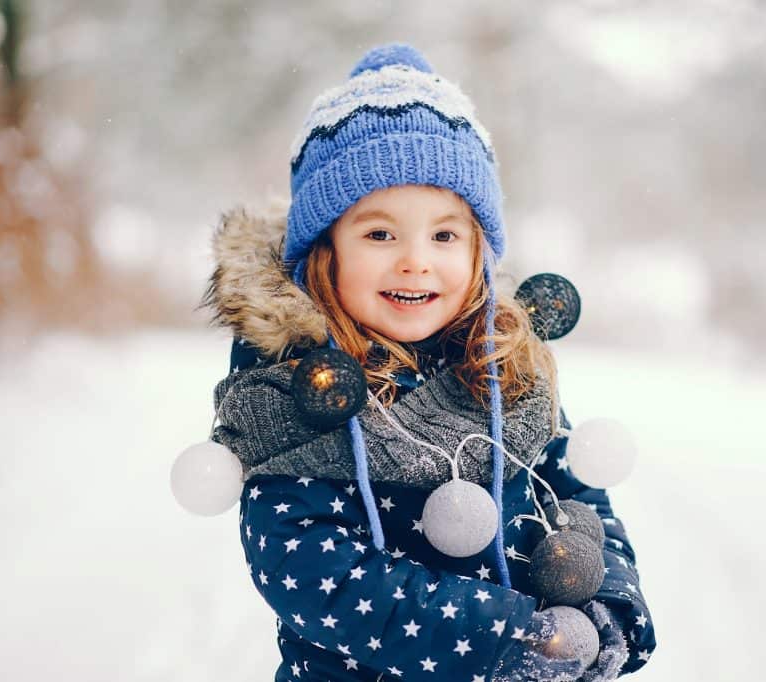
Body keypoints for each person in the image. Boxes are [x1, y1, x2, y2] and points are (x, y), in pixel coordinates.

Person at [204, 43, 656, 682]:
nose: (415, 260)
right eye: (380, 234)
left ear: (478, 252)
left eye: (444, 235)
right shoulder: (293, 393)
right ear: (324, 251)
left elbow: (576, 489)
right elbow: (308, 568)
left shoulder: (504, 367)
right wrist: (503, 637)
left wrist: (613, 602)